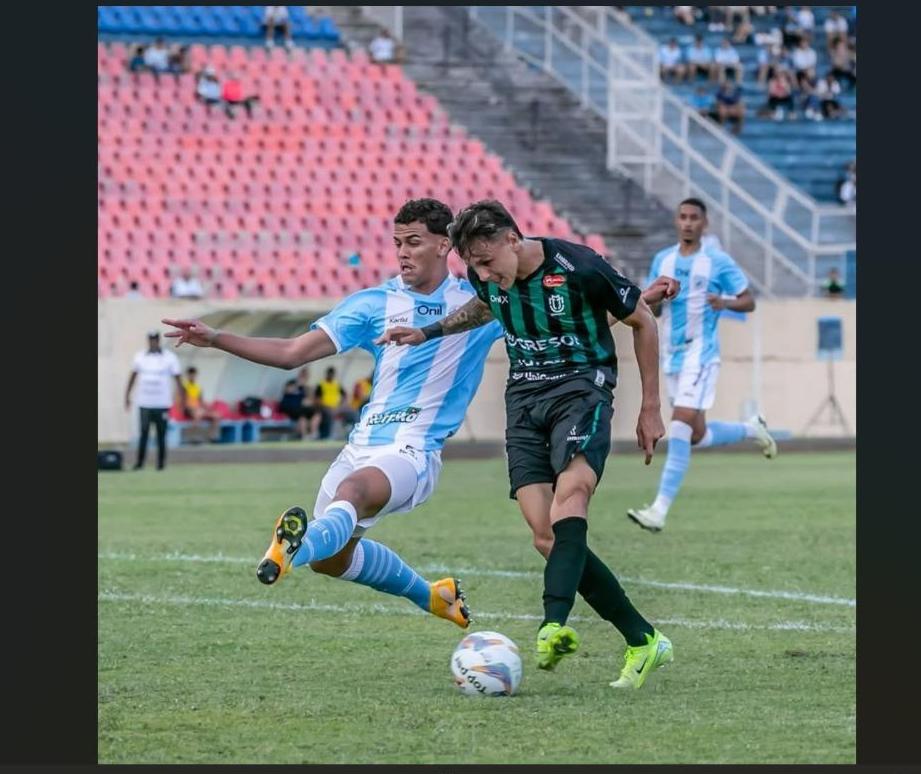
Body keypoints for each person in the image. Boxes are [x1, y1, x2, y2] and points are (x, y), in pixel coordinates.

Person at [378, 199, 681, 690]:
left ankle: (553, 625)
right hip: (523, 402)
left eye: (487, 261)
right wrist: (427, 332)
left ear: (512, 241)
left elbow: (642, 320)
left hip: (581, 390)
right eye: (473, 265)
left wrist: (650, 407)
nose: (482, 273)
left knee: (572, 499)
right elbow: (484, 305)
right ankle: (644, 639)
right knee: (546, 536)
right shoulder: (487, 277)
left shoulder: (579, 265)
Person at [162, 199, 504, 631]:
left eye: (413, 242)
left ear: (443, 245)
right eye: (397, 242)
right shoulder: (373, 303)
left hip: (414, 448)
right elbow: (291, 354)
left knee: (354, 491)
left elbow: (545, 312)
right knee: (332, 560)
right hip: (362, 444)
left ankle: (291, 552)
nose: (402, 252)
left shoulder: (479, 302)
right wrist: (216, 339)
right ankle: (433, 596)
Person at [626, 198, 777, 533]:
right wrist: (658, 299)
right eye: (683, 217)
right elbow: (650, 305)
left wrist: (723, 301)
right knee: (697, 435)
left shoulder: (717, 261)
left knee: (679, 425)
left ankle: (659, 510)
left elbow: (748, 300)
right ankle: (753, 429)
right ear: (676, 222)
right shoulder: (662, 259)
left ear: (704, 223)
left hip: (702, 354)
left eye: (694, 217)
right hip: (672, 355)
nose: (688, 223)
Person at [125, 331, 184, 470]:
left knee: (161, 434)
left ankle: (161, 464)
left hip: (162, 403)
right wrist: (127, 396)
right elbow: (132, 376)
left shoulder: (169, 358)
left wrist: (182, 399)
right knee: (143, 433)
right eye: (151, 340)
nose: (153, 342)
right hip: (144, 402)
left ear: (158, 340)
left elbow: (178, 379)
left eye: (155, 340)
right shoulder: (140, 357)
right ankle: (140, 463)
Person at [181, 366, 221, 444]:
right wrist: (192, 408)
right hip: (188, 409)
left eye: (194, 375)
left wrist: (208, 409)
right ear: (188, 375)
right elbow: (182, 401)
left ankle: (212, 437)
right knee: (198, 414)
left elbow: (201, 401)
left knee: (216, 415)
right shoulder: (184, 386)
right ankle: (194, 437)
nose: (192, 376)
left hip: (198, 409)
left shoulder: (198, 387)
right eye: (191, 375)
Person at [278, 367, 320, 439]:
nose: (304, 376)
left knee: (316, 413)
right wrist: (298, 384)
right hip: (288, 406)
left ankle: (313, 434)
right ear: (299, 374)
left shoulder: (305, 388)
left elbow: (309, 400)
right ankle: (304, 436)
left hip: (299, 408)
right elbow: (287, 390)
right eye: (303, 374)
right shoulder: (292, 382)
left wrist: (309, 390)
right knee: (302, 416)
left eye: (306, 375)